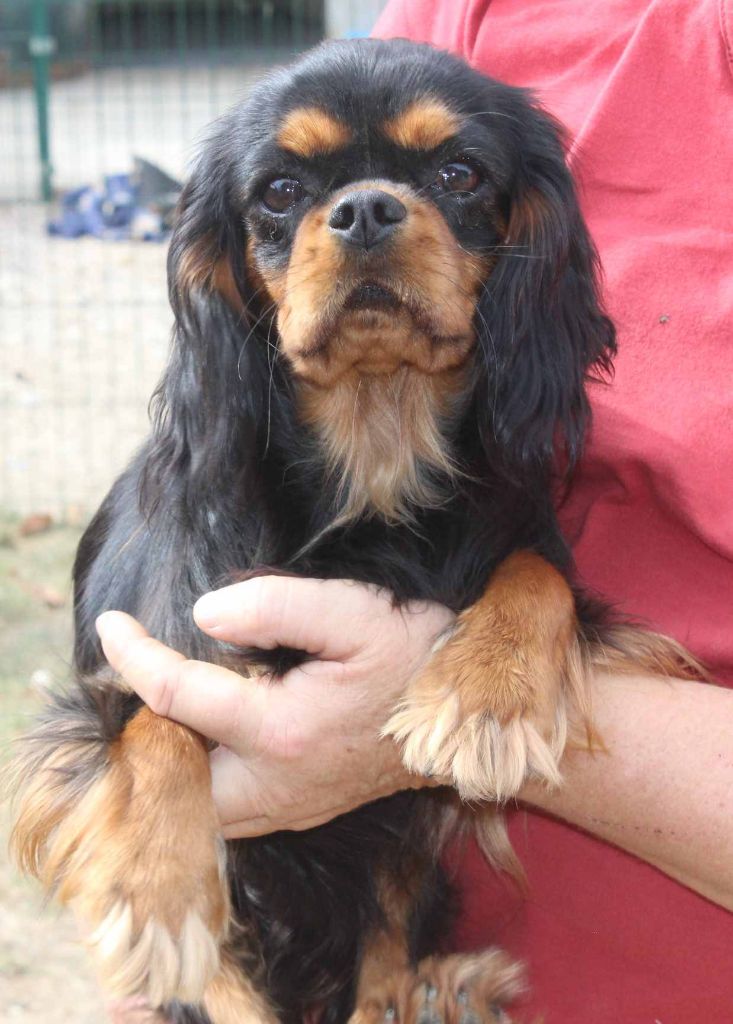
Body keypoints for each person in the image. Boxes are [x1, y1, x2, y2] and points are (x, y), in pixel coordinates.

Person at [97, 0, 733, 1019]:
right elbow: (110, 702)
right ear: (228, 270)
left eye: (454, 179)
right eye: (286, 194)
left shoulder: (504, 527)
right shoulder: (473, 15)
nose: (364, 215)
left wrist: (451, 685)